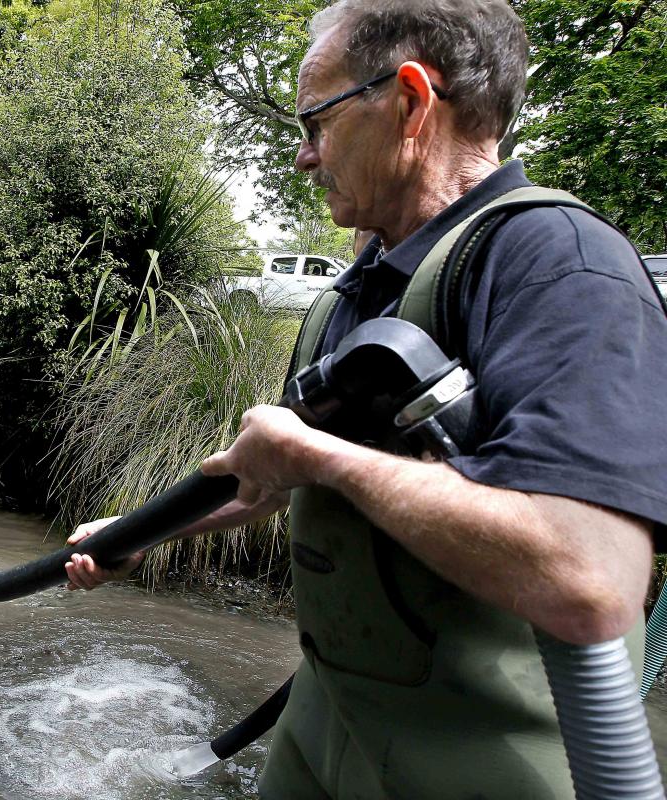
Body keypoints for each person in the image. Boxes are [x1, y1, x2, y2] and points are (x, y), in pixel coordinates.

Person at [64, 1, 667, 797]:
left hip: (479, 760)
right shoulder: (351, 293)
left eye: (315, 120)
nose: (304, 158)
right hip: (325, 727)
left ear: (411, 103)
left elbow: (588, 583)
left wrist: (321, 455)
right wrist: (138, 532)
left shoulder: (561, 264)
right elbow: (274, 479)